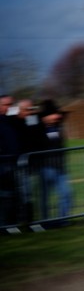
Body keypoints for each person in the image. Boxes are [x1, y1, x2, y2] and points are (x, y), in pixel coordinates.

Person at [36, 99, 73, 224]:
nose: (57, 116)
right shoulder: (38, 129)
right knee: (45, 197)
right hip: (45, 168)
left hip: (60, 167)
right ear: (46, 116)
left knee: (66, 193)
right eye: (54, 114)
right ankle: (45, 222)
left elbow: (63, 115)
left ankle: (62, 220)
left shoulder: (58, 127)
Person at [0, 94, 20, 226]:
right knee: (5, 195)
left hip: (11, 164)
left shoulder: (10, 121)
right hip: (3, 164)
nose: (9, 108)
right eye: (6, 105)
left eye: (10, 104)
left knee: (10, 195)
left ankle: (10, 225)